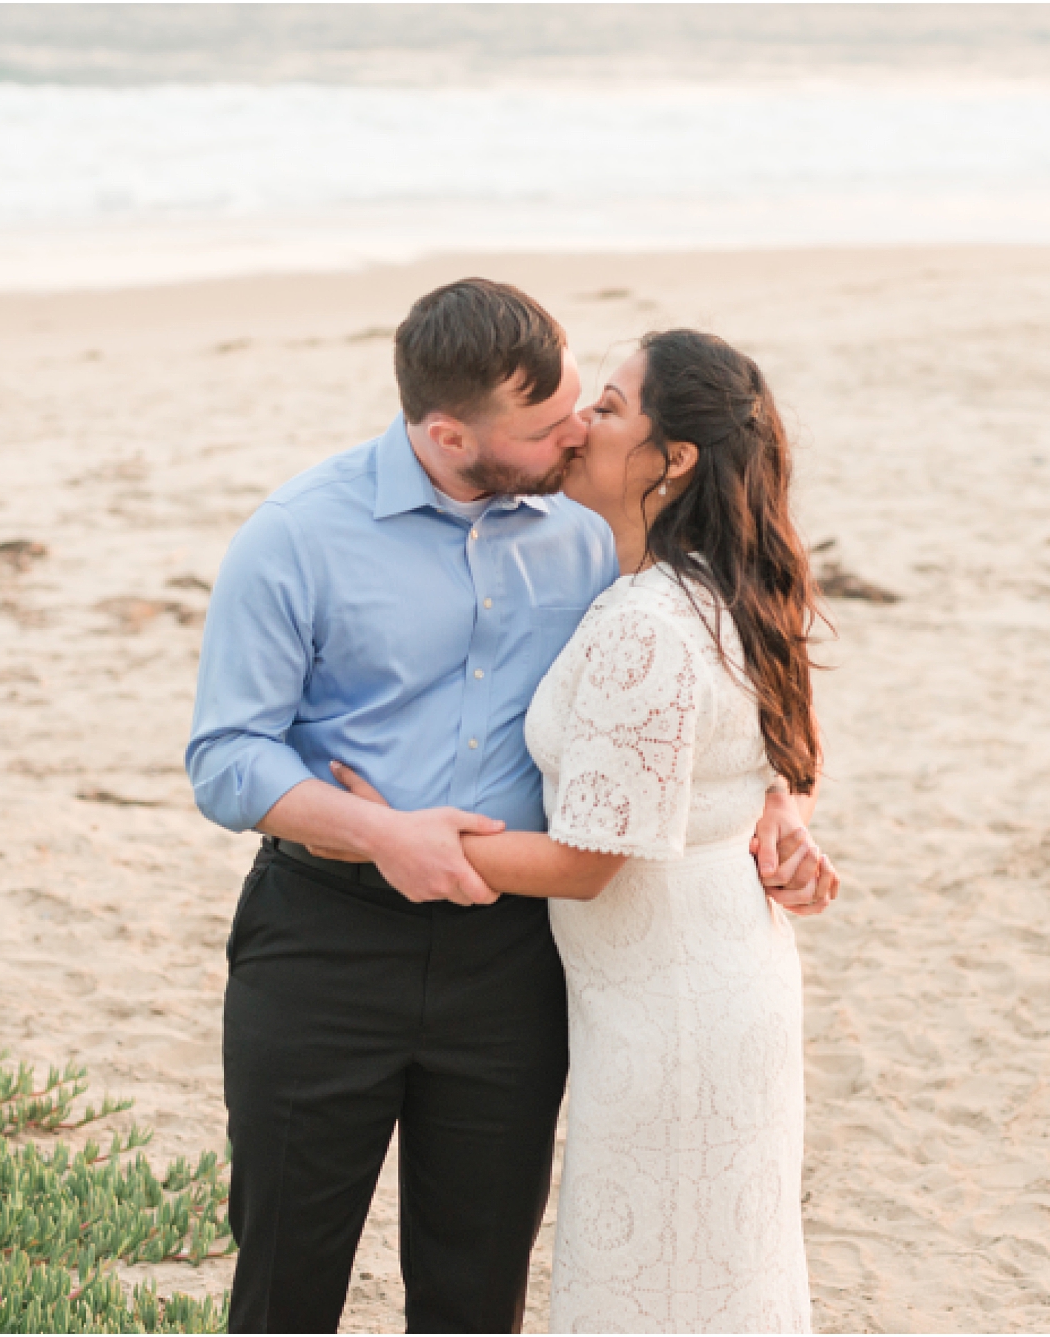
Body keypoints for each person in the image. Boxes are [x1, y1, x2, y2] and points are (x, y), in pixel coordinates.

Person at [184, 280, 828, 1334]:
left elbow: (731, 661)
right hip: (324, 939)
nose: (576, 429)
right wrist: (380, 833)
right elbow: (224, 755)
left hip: (514, 959)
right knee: (284, 1279)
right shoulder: (295, 535)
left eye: (586, 403)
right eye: (546, 424)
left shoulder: (594, 528)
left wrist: (777, 798)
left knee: (477, 1288)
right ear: (447, 431)